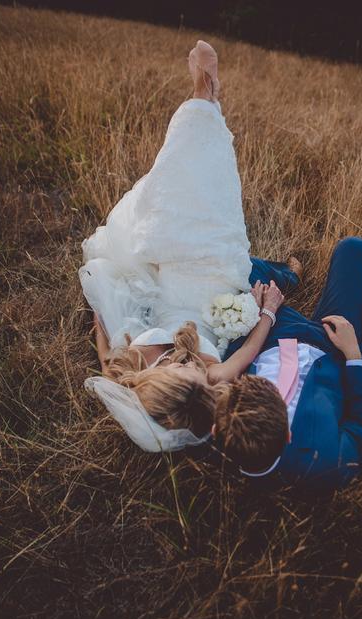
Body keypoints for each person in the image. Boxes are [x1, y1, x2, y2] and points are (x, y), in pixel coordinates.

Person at [80, 40, 295, 452]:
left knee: (172, 206)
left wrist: (100, 309)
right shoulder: (214, 380)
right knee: (216, 213)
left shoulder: (130, 367)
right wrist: (266, 310)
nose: (187, 366)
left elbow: (106, 353)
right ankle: (206, 101)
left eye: (182, 375)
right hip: (214, 286)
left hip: (170, 282)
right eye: (196, 378)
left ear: (156, 381)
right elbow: (248, 351)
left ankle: (201, 99)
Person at [213, 237, 362, 491]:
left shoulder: (222, 431)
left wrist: (255, 314)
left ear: (214, 431)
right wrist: (353, 354)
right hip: (332, 346)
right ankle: (284, 280)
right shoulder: (330, 465)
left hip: (269, 333)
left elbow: (232, 361)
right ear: (288, 436)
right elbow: (360, 422)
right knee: (353, 248)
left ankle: (287, 276)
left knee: (237, 269)